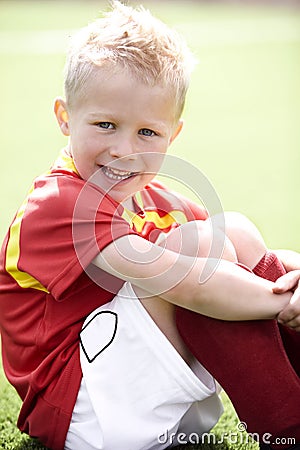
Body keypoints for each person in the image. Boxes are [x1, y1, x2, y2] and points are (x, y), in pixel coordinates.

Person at [0, 2, 299, 449]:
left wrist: (294, 280)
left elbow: (244, 251)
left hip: (141, 394)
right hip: (83, 411)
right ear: (64, 117)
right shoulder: (59, 204)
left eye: (147, 133)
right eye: (105, 125)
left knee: (231, 230)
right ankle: (288, 431)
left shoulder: (147, 198)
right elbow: (184, 284)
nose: (125, 150)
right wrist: (278, 303)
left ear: (172, 135)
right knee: (196, 250)